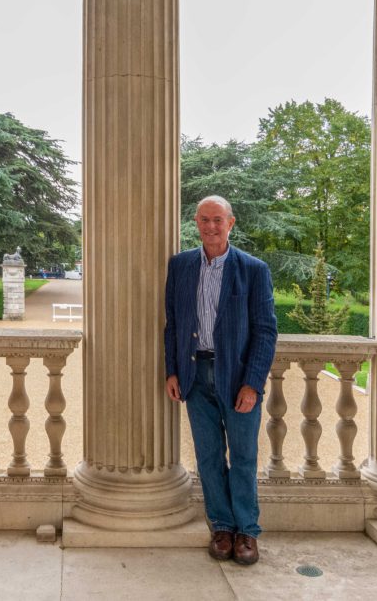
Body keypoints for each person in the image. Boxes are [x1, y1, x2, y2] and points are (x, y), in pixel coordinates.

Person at [163, 195, 277, 565]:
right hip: (196, 376)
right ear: (195, 223)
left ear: (231, 223)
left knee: (243, 457)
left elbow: (265, 330)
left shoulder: (253, 270)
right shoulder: (179, 266)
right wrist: (173, 370)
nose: (210, 226)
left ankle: (247, 531)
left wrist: (253, 383)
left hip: (238, 378)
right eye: (203, 220)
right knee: (209, 457)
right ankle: (222, 526)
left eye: (217, 220)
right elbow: (174, 325)